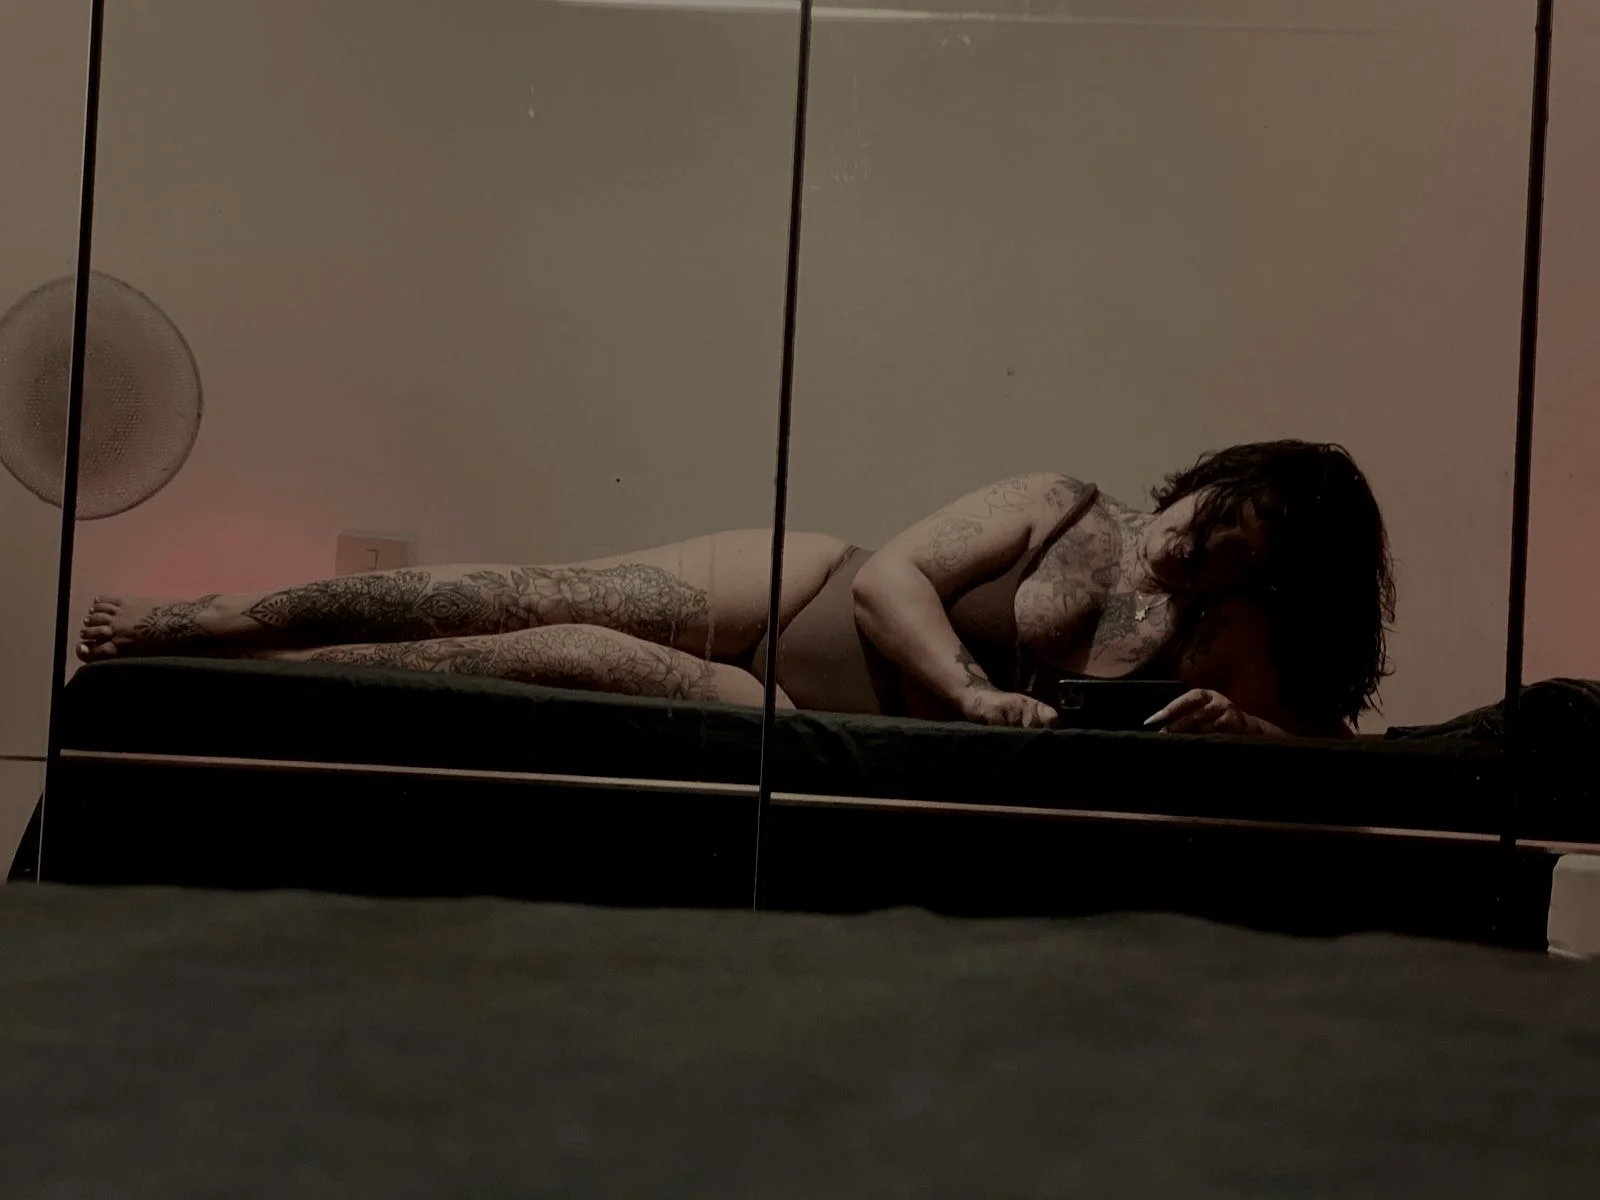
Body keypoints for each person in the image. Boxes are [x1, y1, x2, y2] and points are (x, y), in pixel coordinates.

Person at [77, 439, 1394, 738]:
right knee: (516, 592)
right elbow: (893, 581)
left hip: (785, 710)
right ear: (1206, 480)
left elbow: (1323, 756)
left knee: (558, 653)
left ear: (1269, 580)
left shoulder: (1221, 641)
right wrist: (967, 695)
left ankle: (252, 678)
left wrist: (1249, 730)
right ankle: (210, 621)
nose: (1187, 552)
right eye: (1202, 522)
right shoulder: (1072, 504)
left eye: (1227, 557)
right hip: (793, 588)